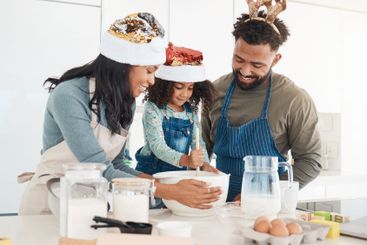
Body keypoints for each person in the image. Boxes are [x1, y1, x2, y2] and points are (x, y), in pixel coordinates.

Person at [19, 12, 221, 215]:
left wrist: (165, 183)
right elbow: (99, 169)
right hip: (49, 205)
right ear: (124, 65)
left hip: (89, 204)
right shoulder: (69, 96)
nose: (152, 81)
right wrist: (169, 190)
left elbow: (116, 165)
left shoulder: (125, 103)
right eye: (149, 70)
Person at [201, 0, 322, 202]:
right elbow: (202, 148)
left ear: (275, 59)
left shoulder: (294, 99)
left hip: (266, 208)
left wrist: (266, 193)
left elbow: (311, 161)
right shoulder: (215, 90)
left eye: (257, 64)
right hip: (216, 206)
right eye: (238, 59)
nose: (245, 71)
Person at [135, 42, 218, 175]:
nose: (185, 94)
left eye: (190, 88)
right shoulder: (153, 109)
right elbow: (158, 147)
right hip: (150, 173)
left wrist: (205, 164)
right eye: (179, 87)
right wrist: (187, 160)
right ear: (165, 86)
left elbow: (198, 143)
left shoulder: (191, 113)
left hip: (177, 173)